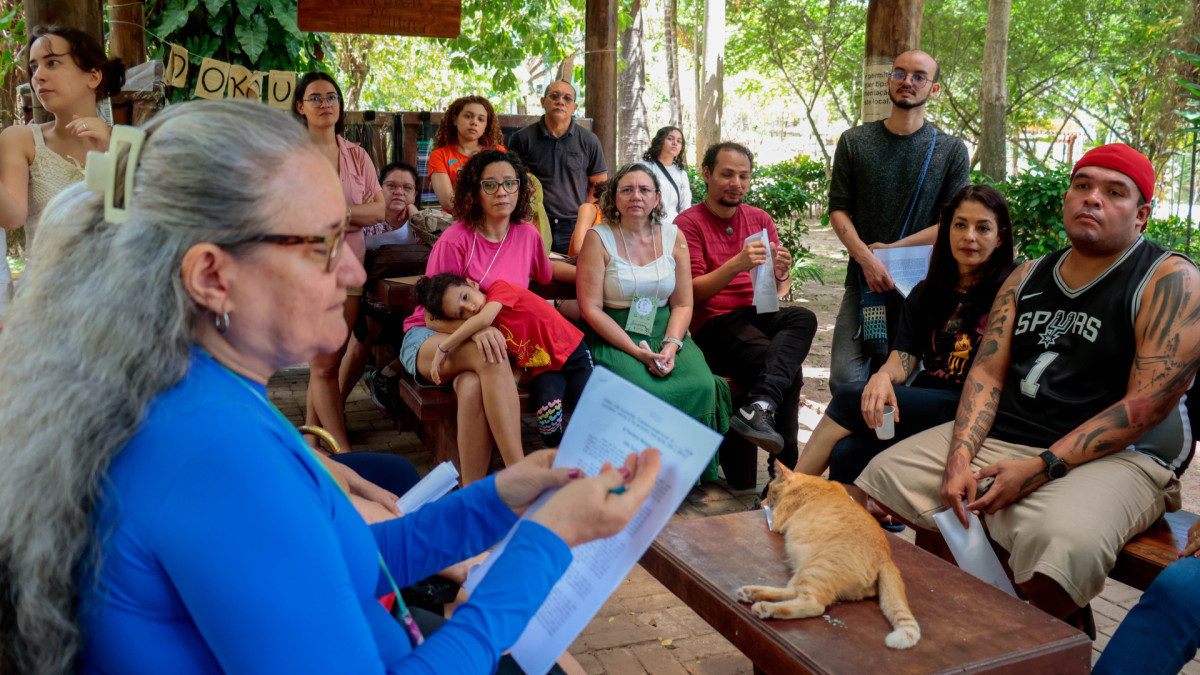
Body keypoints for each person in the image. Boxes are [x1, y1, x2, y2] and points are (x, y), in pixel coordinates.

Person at [0, 99, 660, 674]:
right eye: (323, 244)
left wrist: (501, 497)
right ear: (212, 277)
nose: (351, 271)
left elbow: (340, 557)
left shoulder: (199, 391)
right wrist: (546, 544)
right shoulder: (211, 454)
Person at [856, 143, 1200, 624]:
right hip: (1011, 433)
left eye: (1114, 192)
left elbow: (1146, 405)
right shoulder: (1028, 275)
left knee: (1059, 550)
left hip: (1122, 456)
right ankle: (961, 623)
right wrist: (959, 458)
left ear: (1141, 215)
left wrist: (1041, 467)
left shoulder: (1169, 278)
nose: (1092, 198)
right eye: (1082, 186)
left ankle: (1054, 635)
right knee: (881, 480)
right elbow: (986, 373)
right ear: (1067, 199)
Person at [796, 185, 1014, 493]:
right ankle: (849, 521)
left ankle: (784, 495)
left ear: (1000, 237)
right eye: (960, 225)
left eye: (983, 228)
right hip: (929, 399)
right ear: (947, 231)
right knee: (846, 453)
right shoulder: (927, 292)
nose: (969, 236)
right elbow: (903, 357)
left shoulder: (1013, 289)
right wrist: (883, 377)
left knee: (848, 398)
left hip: (975, 406)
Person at [399, 149, 576, 485]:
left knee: (471, 387)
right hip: (431, 337)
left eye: (510, 183)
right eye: (490, 185)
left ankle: (473, 495)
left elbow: (545, 271)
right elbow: (431, 316)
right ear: (475, 191)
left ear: (521, 189)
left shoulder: (528, 235)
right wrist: (474, 329)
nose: (502, 192)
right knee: (490, 354)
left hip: (489, 345)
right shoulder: (456, 239)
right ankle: (521, 477)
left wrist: (594, 274)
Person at [827, 49, 970, 395]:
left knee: (908, 382)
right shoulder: (854, 141)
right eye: (900, 73)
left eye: (919, 76)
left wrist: (890, 251)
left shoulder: (951, 149)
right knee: (845, 380)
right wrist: (867, 259)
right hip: (863, 280)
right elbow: (839, 209)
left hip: (921, 285)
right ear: (889, 80)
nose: (908, 81)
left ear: (934, 88)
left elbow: (953, 221)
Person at [676, 142, 817, 483]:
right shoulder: (688, 223)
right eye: (727, 174)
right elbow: (691, 293)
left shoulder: (759, 219)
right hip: (713, 323)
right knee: (787, 369)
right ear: (706, 174)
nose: (736, 183)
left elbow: (777, 292)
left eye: (743, 176)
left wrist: (782, 272)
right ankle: (784, 477)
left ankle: (760, 407)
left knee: (803, 317)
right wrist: (735, 264)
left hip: (757, 314)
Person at [577, 163, 731, 443]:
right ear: (614, 197)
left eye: (645, 190)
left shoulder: (674, 236)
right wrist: (637, 352)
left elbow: (683, 304)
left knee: (702, 385)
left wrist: (671, 346)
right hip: (613, 332)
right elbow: (591, 309)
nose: (636, 196)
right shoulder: (598, 238)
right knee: (640, 390)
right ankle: (637, 463)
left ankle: (687, 465)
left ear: (657, 198)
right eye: (627, 190)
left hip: (666, 328)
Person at [0, 25, 124, 319]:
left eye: (52, 62)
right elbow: (12, 216)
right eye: (34, 67)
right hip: (45, 303)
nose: (38, 76)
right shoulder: (20, 140)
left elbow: (148, 223)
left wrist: (113, 151)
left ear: (93, 76)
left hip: (118, 301)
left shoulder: (128, 141)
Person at [292, 71, 385, 453]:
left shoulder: (357, 155)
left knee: (329, 362)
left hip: (350, 268)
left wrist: (338, 213)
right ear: (300, 107)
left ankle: (311, 442)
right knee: (324, 366)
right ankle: (344, 456)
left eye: (332, 96)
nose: (325, 104)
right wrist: (352, 214)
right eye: (315, 98)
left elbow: (378, 210)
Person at [417, 272, 593, 447]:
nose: (470, 308)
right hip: (544, 369)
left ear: (472, 284)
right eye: (461, 313)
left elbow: (483, 319)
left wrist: (443, 348)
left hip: (573, 353)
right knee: (549, 427)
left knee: (591, 410)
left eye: (465, 297)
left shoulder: (500, 289)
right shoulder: (488, 330)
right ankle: (565, 456)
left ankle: (594, 453)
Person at [345, 162, 423, 407]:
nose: (399, 191)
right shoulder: (367, 220)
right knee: (359, 344)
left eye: (407, 188)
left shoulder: (422, 224)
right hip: (370, 303)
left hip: (413, 308)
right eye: (392, 185)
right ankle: (336, 405)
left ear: (415, 194)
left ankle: (386, 375)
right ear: (380, 189)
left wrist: (416, 217)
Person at [508, 80, 607, 254]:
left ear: (574, 107)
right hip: (533, 223)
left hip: (574, 226)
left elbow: (598, 185)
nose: (560, 101)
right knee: (533, 270)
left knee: (573, 269)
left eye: (567, 98)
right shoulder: (522, 138)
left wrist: (584, 218)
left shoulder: (589, 140)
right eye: (554, 96)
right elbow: (512, 182)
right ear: (543, 101)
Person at [428, 96, 506, 212]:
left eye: (481, 119)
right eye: (468, 116)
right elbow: (449, 202)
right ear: (455, 119)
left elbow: (507, 193)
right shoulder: (440, 155)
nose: (474, 122)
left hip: (494, 219)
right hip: (455, 220)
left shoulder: (498, 152)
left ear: (486, 125)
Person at [640, 126, 691, 225]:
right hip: (648, 225)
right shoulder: (644, 168)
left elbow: (685, 207)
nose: (675, 143)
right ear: (659, 142)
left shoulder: (681, 174)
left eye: (679, 141)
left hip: (674, 227)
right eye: (670, 139)